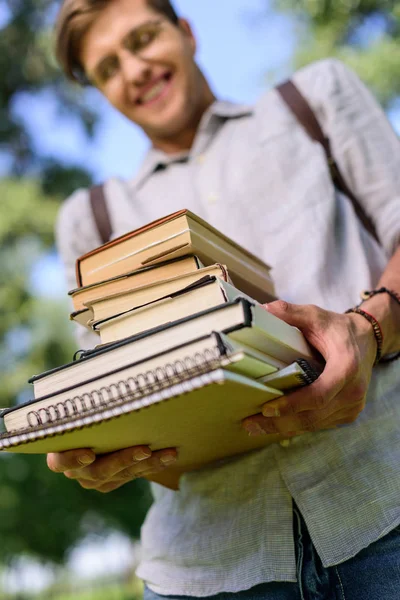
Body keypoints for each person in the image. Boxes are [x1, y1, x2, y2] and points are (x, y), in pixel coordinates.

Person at [48, 0, 400, 598]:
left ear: (186, 33)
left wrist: (367, 327)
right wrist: (102, 447)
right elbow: (125, 392)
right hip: (207, 568)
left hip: (383, 505)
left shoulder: (313, 100)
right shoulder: (91, 220)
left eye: (143, 38)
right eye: (107, 68)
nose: (132, 70)